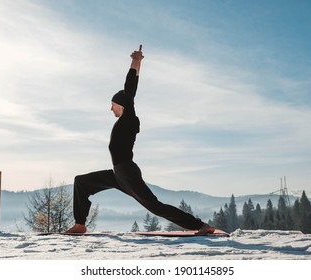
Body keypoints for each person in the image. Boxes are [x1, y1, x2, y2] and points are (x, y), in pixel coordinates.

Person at [65, 45, 215, 235]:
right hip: (118, 173)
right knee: (81, 182)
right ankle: (80, 225)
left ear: (121, 104)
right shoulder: (123, 121)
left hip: (127, 172)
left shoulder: (128, 117)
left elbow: (130, 87)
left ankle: (200, 225)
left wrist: (136, 62)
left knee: (155, 206)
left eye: (112, 105)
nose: (111, 109)